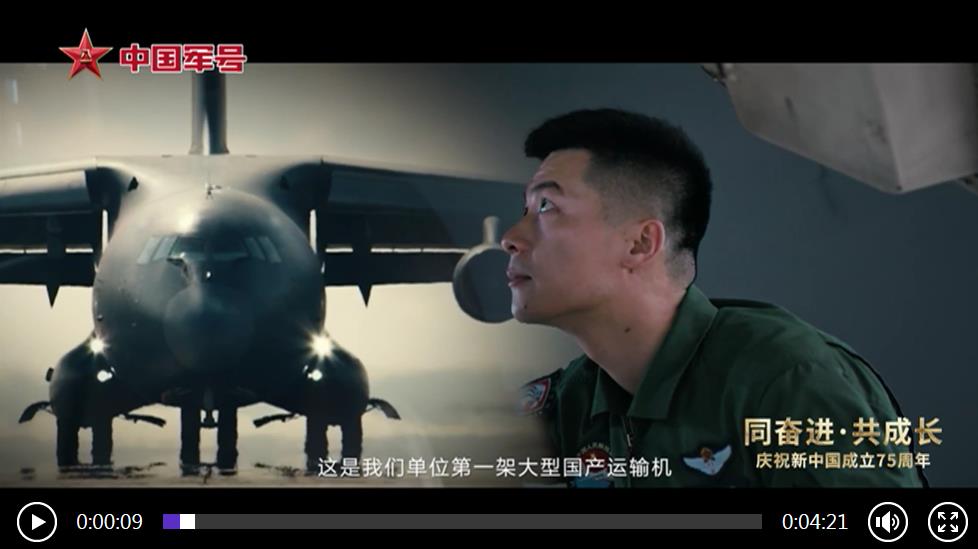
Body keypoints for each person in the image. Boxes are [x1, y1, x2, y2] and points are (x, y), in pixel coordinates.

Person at [504, 109, 927, 487]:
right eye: (526, 209)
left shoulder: (786, 381)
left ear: (640, 243)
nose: (511, 238)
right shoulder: (566, 404)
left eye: (546, 206)